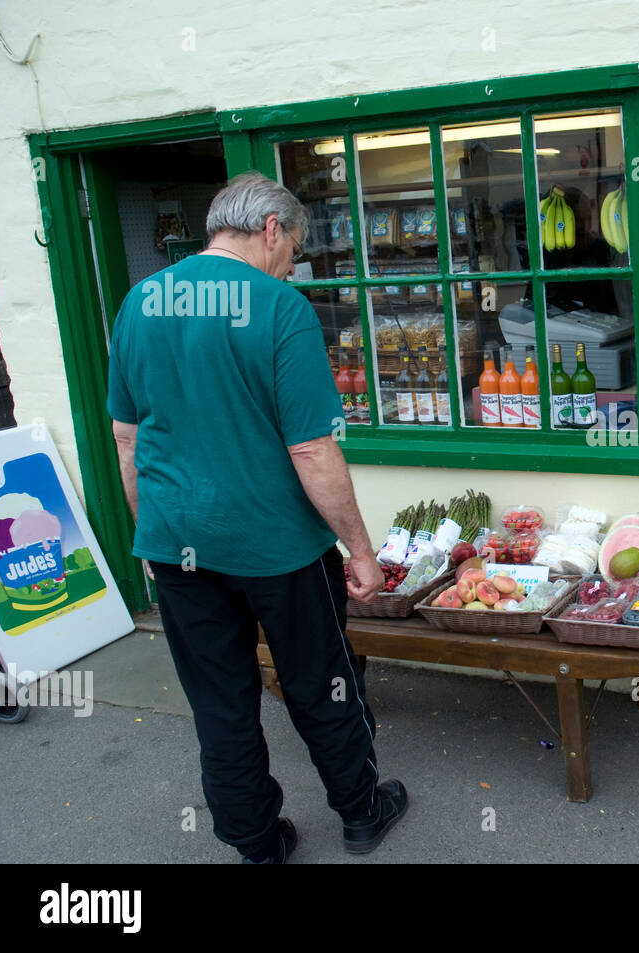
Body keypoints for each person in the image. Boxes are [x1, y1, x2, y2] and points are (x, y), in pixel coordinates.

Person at [106, 172, 408, 863]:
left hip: (178, 545)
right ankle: (361, 811)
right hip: (280, 547)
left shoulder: (138, 304)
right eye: (294, 247)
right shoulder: (278, 307)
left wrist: (152, 535)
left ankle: (256, 843)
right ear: (270, 229)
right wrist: (359, 548)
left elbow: (128, 441)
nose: (292, 262)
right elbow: (311, 446)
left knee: (220, 699)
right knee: (322, 680)